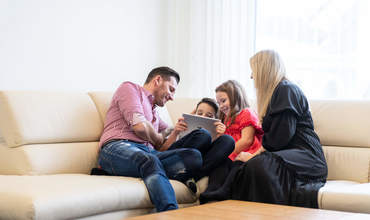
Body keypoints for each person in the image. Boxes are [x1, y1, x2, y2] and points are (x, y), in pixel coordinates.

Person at [97, 67, 205, 212]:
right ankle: (171, 213)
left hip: (147, 153)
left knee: (194, 156)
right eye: (171, 89)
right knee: (150, 160)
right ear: (158, 80)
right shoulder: (130, 89)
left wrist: (187, 122)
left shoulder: (154, 111)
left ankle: (157, 174)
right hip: (117, 148)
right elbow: (140, 127)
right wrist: (158, 137)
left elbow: (168, 135)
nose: (172, 97)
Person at [231, 50, 328, 208]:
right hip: (286, 155)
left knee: (258, 165)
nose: (251, 76)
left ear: (264, 70)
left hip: (307, 156)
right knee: (242, 167)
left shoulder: (286, 89)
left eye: (253, 71)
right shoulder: (277, 93)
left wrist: (253, 156)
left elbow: (281, 137)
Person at [199, 80, 264, 203]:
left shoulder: (246, 113)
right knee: (219, 167)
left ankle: (225, 190)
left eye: (223, 101)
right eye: (219, 103)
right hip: (231, 154)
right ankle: (211, 191)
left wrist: (226, 153)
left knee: (236, 165)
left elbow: (247, 140)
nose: (221, 106)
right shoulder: (226, 119)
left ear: (236, 97)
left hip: (245, 152)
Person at [166, 97, 235, 181]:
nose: (203, 117)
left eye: (209, 116)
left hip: (199, 161)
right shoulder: (179, 126)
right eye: (199, 113)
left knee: (228, 140)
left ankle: (193, 177)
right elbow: (162, 151)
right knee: (203, 135)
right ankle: (183, 173)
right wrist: (175, 132)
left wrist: (218, 136)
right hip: (177, 158)